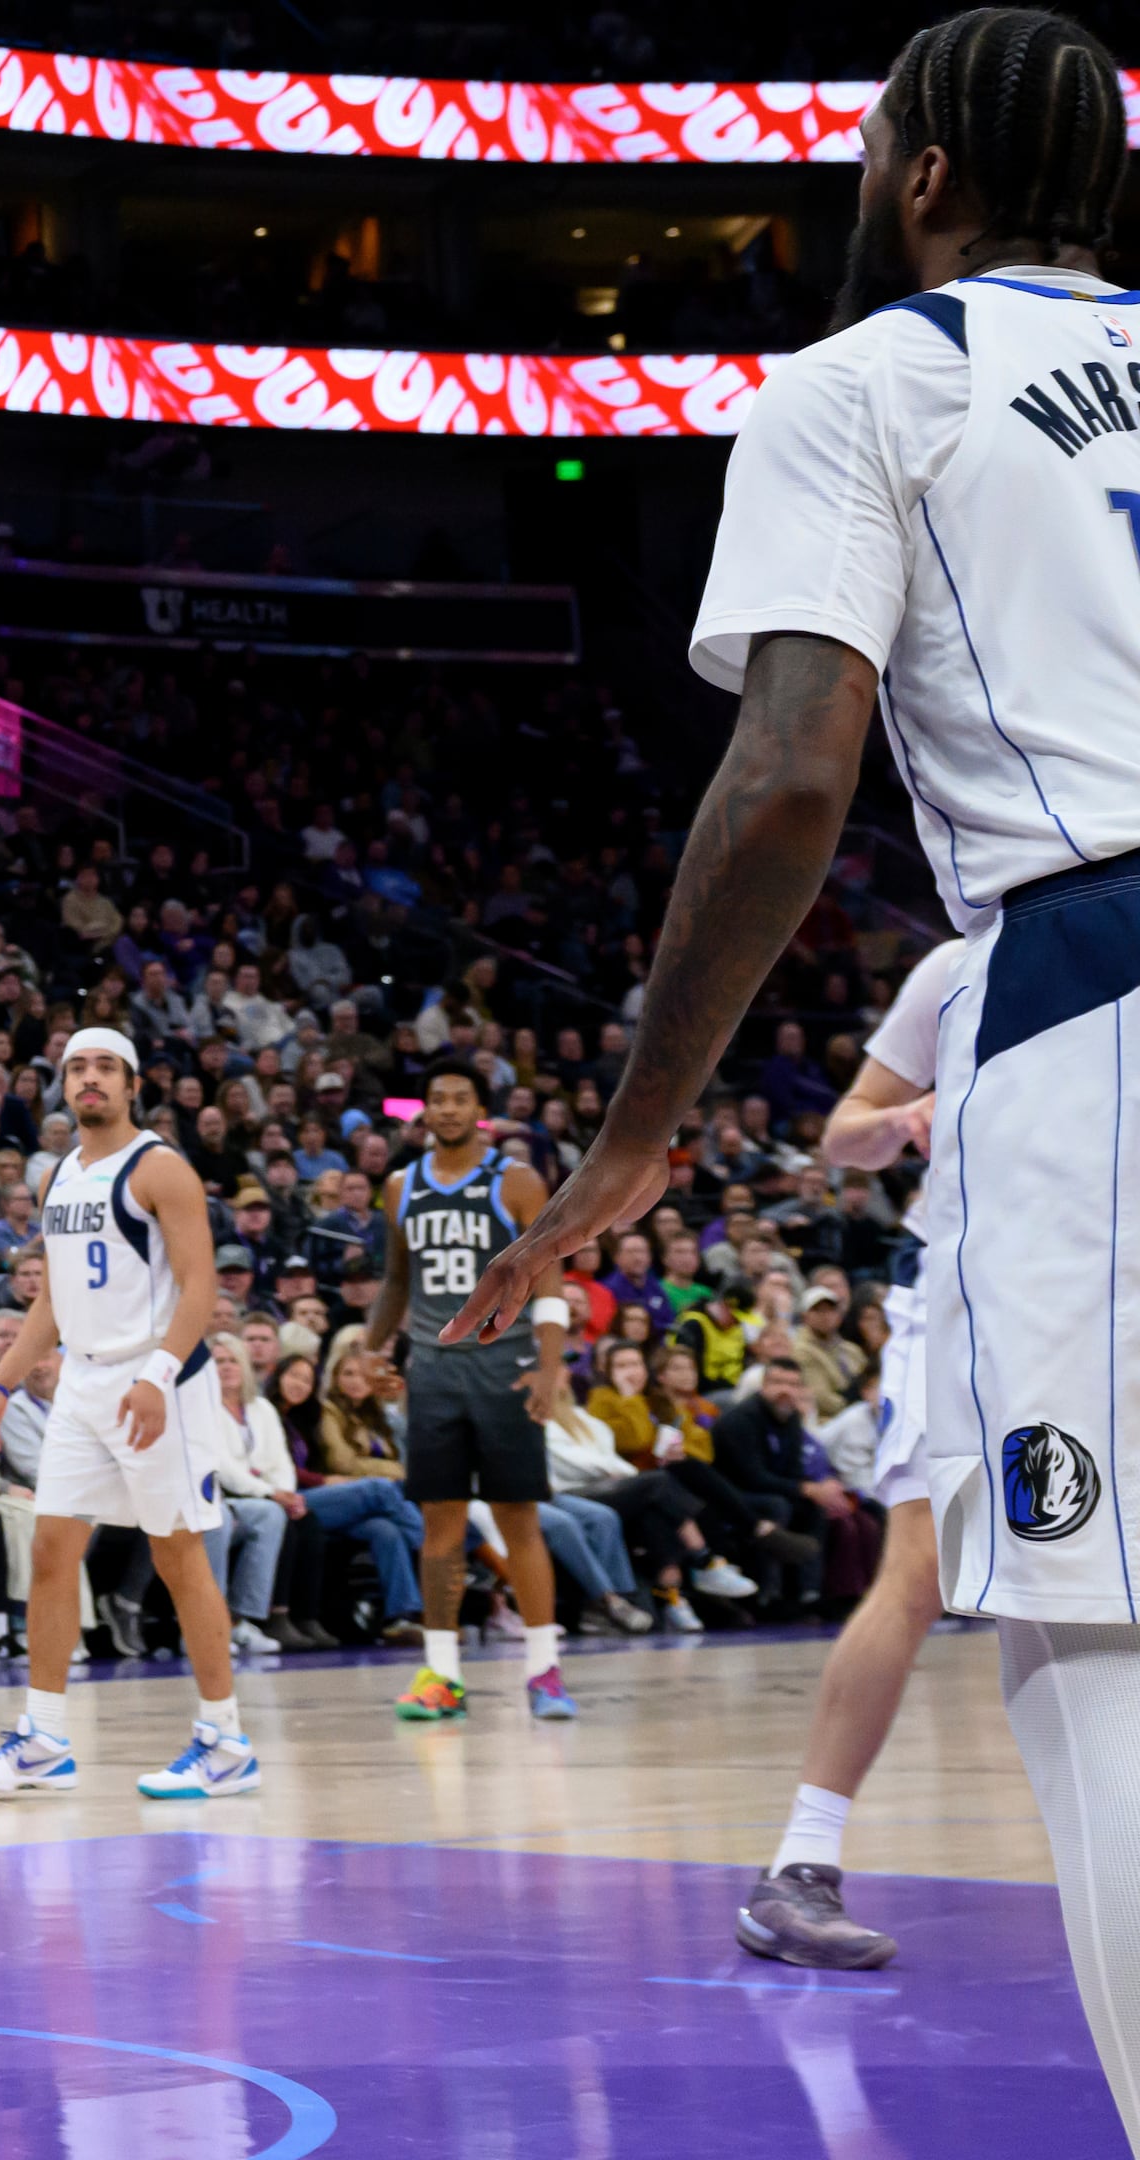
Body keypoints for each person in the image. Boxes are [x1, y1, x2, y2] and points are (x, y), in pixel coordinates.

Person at [446, 17, 1140, 2119]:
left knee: (1094, 1637)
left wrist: (637, 1135)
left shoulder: (876, 379)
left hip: (1100, 994)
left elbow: (783, 784)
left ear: (925, 177)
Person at [0, 1029, 257, 1801]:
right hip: (85, 1386)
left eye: (105, 1068)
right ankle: (44, 1737)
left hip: (159, 1380)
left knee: (177, 1556)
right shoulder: (60, 1177)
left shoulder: (161, 1168)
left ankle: (225, 1741)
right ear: (63, 1085)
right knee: (53, 1549)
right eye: (77, 1068)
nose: (90, 1080)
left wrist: (155, 1376)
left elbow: (199, 1290)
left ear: (129, 1085)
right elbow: (51, 1302)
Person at [739, 938, 962, 1970]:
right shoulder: (961, 967)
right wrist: (903, 1120)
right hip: (963, 1291)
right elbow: (844, 1137)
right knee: (915, 1576)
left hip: (1106, 1292)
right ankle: (799, 1865)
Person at [379, 1068, 578, 1723]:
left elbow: (547, 1276)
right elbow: (396, 1283)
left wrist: (551, 1368)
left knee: (519, 1520)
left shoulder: (516, 1181)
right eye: (437, 1098)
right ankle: (442, 1673)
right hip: (434, 1371)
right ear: (424, 1112)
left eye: (460, 1097)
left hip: (504, 1367)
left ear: (481, 1110)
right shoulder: (399, 1187)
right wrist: (367, 1349)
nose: (447, 1107)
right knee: (441, 1528)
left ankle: (544, 1671)